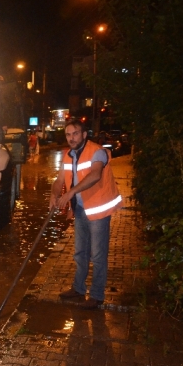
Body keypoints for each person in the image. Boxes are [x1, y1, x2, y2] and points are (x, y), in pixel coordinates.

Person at [49, 120, 123, 309]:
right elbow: (59, 180)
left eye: (75, 133)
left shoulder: (97, 151)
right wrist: (53, 194)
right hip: (80, 209)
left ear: (83, 135)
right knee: (80, 253)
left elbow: (95, 175)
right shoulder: (68, 155)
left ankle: (97, 295)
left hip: (98, 209)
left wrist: (70, 193)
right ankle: (78, 288)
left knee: (98, 255)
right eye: (68, 134)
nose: (71, 138)